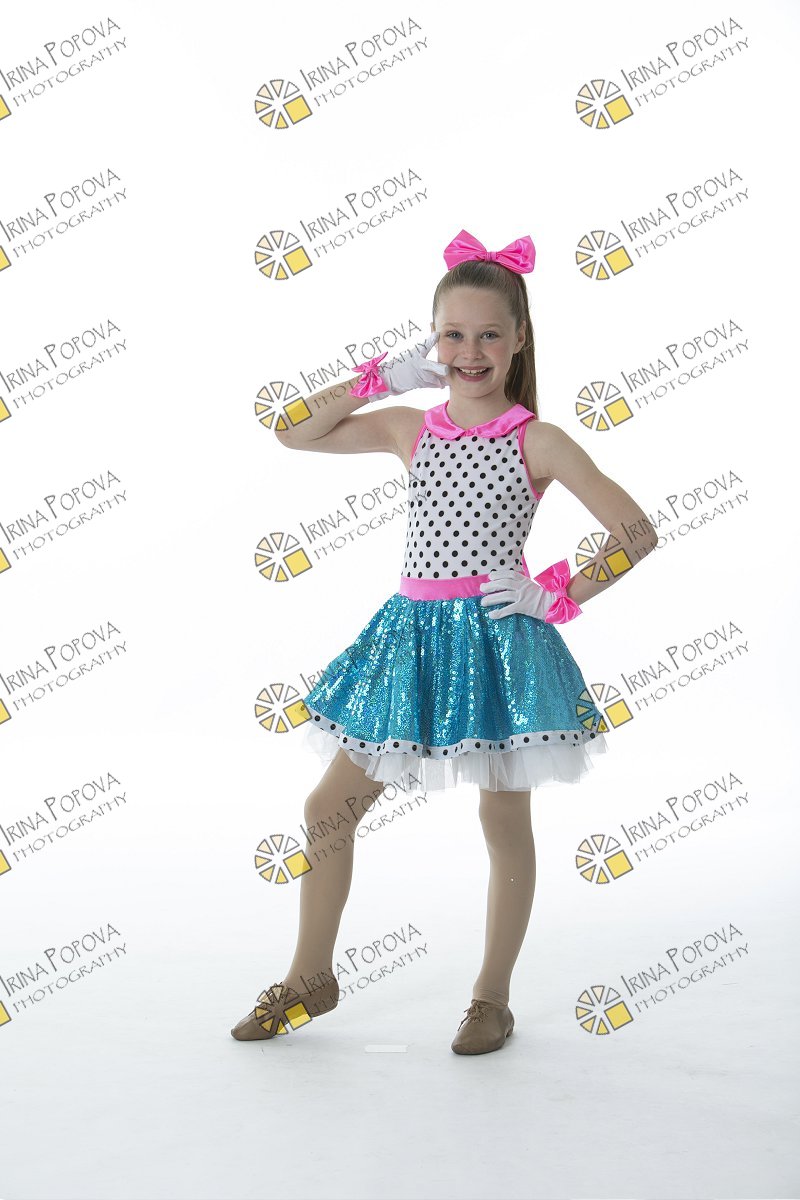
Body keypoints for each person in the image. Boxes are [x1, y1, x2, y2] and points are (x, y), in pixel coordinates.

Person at [231, 229, 658, 1054]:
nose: (469, 352)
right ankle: (310, 977)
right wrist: (377, 379)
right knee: (328, 808)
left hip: (498, 643)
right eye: (453, 335)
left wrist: (555, 595)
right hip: (413, 640)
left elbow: (635, 531)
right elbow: (292, 430)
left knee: (503, 820)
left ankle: (491, 997)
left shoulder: (537, 438)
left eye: (489, 334)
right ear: (434, 341)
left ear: (519, 339)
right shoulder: (409, 427)